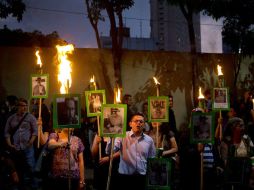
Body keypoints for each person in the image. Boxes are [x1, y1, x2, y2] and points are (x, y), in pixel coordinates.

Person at [111, 113, 156, 190]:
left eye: (141, 121)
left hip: (142, 177)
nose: (138, 123)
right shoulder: (122, 136)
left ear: (144, 124)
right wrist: (111, 138)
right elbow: (111, 150)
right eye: (136, 121)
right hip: (125, 177)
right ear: (130, 124)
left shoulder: (149, 140)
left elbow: (151, 159)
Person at [4, 98, 38, 189]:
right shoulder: (11, 118)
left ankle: (34, 186)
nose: (24, 108)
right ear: (18, 106)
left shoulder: (30, 117)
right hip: (16, 148)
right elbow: (6, 132)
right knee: (18, 169)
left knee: (31, 167)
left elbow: (35, 131)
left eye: (26, 106)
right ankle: (20, 186)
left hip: (27, 147)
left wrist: (31, 141)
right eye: (22, 106)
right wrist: (9, 144)